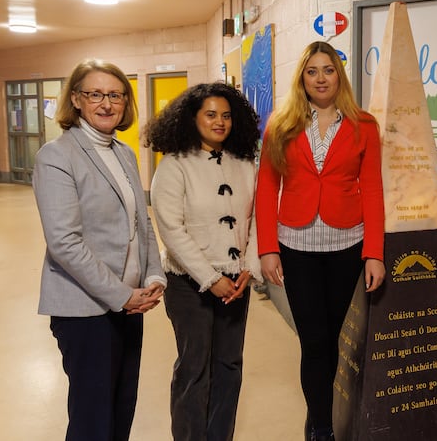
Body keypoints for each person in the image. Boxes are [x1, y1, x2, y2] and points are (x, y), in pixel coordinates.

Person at [256, 41, 385, 441]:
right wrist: (267, 248)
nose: (320, 78)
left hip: (347, 244)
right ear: (302, 78)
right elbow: (266, 187)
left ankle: (325, 414)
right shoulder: (282, 122)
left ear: (338, 75)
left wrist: (374, 253)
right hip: (296, 246)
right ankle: (322, 427)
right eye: (312, 71)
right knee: (314, 342)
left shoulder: (364, 125)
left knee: (336, 340)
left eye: (327, 70)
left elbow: (374, 190)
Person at [33, 58, 166, 441]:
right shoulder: (57, 156)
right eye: (95, 94)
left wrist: (153, 274)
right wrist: (122, 295)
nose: (106, 104)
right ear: (76, 99)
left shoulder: (123, 153)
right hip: (85, 310)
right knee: (93, 420)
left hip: (129, 305)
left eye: (116, 95)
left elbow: (141, 222)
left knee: (122, 407)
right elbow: (64, 242)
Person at [145, 83, 263, 441]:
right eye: (210, 114)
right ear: (192, 118)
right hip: (188, 285)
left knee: (229, 366)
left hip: (236, 282)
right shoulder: (174, 165)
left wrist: (249, 269)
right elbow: (171, 229)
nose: (220, 122)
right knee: (194, 369)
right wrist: (210, 278)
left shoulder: (245, 164)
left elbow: (259, 218)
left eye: (226, 115)